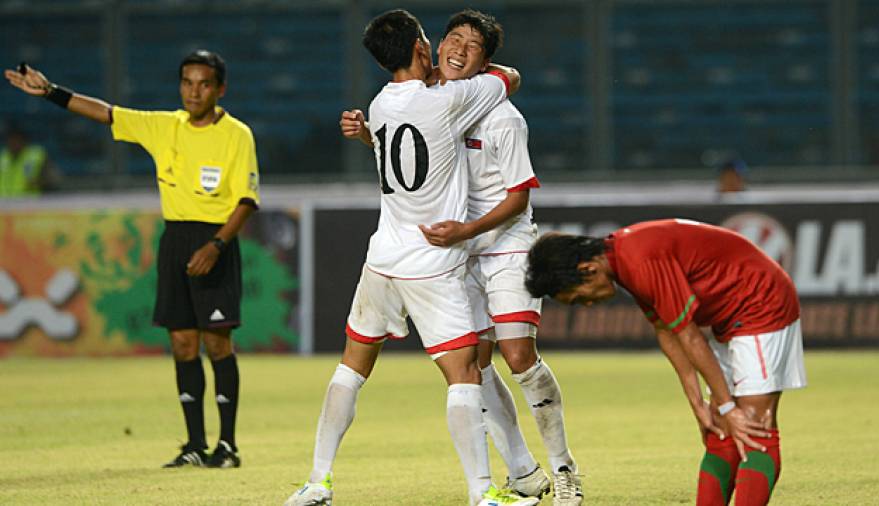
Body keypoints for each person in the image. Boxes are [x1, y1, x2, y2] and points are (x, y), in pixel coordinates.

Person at [284, 9, 535, 506]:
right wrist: (458, 73)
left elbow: (395, 146)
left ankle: (318, 481)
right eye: (433, 39)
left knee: (351, 368)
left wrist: (364, 133)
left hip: (381, 259)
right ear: (422, 48)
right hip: (432, 261)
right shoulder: (449, 100)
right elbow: (508, 77)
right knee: (465, 374)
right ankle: (484, 495)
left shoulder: (379, 106)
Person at [340, 9, 581, 505]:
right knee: (474, 364)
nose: (458, 49)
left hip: (506, 243)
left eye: (472, 46)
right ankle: (524, 473)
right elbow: (410, 162)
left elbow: (517, 198)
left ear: (486, 62)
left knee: (518, 356)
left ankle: (565, 469)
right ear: (434, 43)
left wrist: (466, 229)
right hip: (458, 249)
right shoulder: (430, 101)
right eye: (452, 38)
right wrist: (370, 135)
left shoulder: (503, 117)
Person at [4, 50, 260, 469]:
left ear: (220, 89)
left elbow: (247, 200)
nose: (194, 92)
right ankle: (195, 445)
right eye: (187, 83)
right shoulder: (164, 126)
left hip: (215, 239)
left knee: (217, 341)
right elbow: (106, 114)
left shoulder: (237, 135)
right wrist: (50, 92)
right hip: (175, 238)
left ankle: (227, 445)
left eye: (203, 84)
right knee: (181, 342)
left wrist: (216, 246)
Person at [525, 219, 807, 506]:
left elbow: (690, 336)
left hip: (761, 301)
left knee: (754, 427)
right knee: (719, 430)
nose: (585, 305)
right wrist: (698, 402)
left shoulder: (638, 260)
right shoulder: (621, 259)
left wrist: (727, 404)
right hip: (730, 314)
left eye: (577, 299)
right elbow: (665, 329)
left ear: (588, 270)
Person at [0, 123, 59, 196]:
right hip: (4, 204)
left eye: (16, 140)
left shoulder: (36, 156)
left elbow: (54, 179)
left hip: (30, 204)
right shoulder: (2, 157)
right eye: (10, 140)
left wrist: (39, 182)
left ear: (24, 141)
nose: (13, 143)